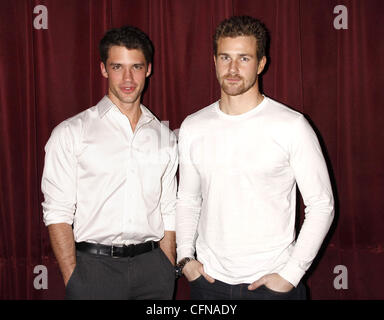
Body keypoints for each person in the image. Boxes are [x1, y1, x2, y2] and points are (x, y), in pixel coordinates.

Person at [175, 16, 334, 300]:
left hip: (272, 285)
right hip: (208, 283)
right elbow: (188, 199)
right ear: (214, 61)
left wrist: (291, 275)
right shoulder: (193, 126)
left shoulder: (292, 125)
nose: (233, 68)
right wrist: (186, 258)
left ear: (261, 64)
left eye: (244, 58)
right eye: (225, 57)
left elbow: (322, 205)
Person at [41, 26, 178, 300]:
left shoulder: (164, 136)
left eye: (136, 66)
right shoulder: (71, 132)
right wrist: (73, 278)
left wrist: (167, 263)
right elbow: (57, 212)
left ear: (148, 69)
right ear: (104, 69)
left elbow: (168, 207)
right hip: (93, 270)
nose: (128, 77)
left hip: (154, 269)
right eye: (117, 66)